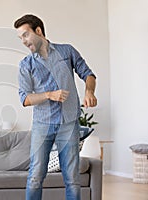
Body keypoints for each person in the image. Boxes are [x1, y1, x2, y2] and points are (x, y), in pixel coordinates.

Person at [14, 14, 97, 200]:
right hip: (42, 125)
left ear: (38, 31)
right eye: (20, 38)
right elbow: (25, 99)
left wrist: (89, 92)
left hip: (69, 123)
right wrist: (48, 95)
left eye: (25, 35)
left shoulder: (66, 52)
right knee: (35, 176)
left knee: (73, 179)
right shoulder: (26, 65)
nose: (24, 41)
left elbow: (88, 74)